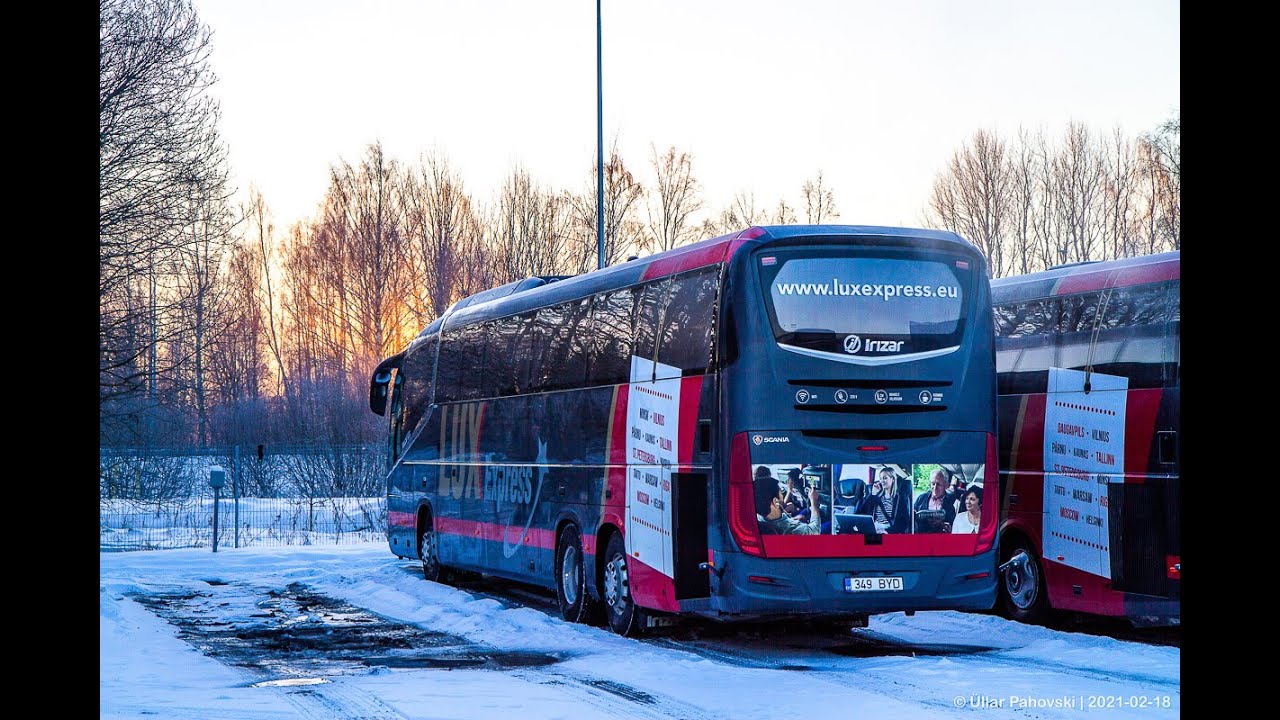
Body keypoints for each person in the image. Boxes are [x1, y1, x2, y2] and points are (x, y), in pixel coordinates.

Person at [754, 466, 822, 535]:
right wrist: (813, 501)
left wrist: (793, 519)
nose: (782, 495)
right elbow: (815, 530)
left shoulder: (760, 516)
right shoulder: (793, 531)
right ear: (775, 501)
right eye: (780, 492)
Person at [858, 465, 911, 534]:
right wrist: (873, 494)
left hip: (888, 530)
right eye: (880, 478)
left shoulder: (901, 498)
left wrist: (887, 531)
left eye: (885, 478)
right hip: (874, 528)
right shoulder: (877, 497)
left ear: (893, 479)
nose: (882, 481)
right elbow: (863, 511)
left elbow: (904, 522)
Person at [913, 468, 957, 532]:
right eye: (933, 483)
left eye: (938, 484)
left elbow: (954, 526)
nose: (935, 487)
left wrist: (946, 527)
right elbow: (912, 518)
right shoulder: (921, 498)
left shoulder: (951, 503)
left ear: (946, 485)